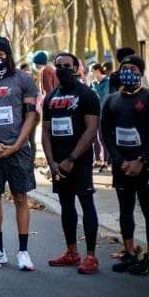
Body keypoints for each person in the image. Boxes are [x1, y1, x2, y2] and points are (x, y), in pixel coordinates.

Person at [0, 37, 39, 271]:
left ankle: (23, 252)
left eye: (1, 54)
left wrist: (17, 145)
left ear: (9, 55)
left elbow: (31, 115)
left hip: (18, 150)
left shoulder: (24, 79)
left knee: (21, 197)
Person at [101, 54, 149, 275]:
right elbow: (106, 132)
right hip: (121, 166)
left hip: (144, 165)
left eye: (132, 68)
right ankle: (129, 253)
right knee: (125, 210)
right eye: (124, 67)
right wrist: (119, 160)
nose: (127, 71)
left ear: (140, 71)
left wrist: (141, 160)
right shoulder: (111, 100)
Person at [42, 53, 101, 274]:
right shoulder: (51, 97)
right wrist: (52, 163)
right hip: (59, 164)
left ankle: (91, 256)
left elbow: (91, 130)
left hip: (80, 162)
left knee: (86, 205)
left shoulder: (87, 94)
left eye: (67, 65)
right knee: (66, 207)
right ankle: (72, 252)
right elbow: (45, 132)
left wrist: (71, 159)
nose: (62, 69)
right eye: (58, 66)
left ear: (76, 67)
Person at [90, 63, 110, 169]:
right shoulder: (93, 83)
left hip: (103, 113)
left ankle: (105, 161)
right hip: (94, 114)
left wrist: (95, 86)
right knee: (94, 137)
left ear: (97, 71)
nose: (91, 74)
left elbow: (104, 97)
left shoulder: (107, 81)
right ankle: (97, 159)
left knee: (102, 137)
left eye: (92, 71)